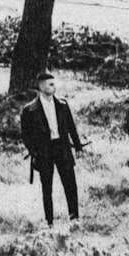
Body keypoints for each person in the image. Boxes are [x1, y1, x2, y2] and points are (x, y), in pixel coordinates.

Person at [21, 72, 84, 226]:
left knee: (70, 184)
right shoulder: (29, 110)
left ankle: (74, 219)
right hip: (45, 151)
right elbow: (26, 134)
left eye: (54, 84)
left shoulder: (62, 104)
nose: (54, 87)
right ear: (41, 87)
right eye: (50, 84)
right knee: (47, 187)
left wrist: (77, 145)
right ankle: (49, 222)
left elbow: (71, 127)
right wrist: (34, 151)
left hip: (62, 148)